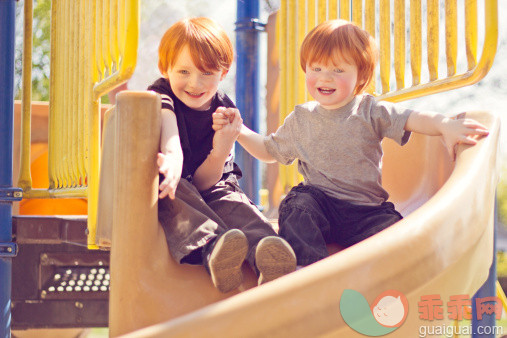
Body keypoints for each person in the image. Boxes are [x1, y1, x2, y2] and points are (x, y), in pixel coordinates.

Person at [212, 19, 489, 267]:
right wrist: (239, 131)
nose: (325, 77)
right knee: (296, 207)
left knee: (396, 234)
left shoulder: (369, 110)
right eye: (316, 68)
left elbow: (413, 118)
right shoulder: (301, 117)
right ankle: (303, 270)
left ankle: (392, 271)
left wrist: (444, 125)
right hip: (320, 203)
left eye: (338, 70)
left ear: (361, 75)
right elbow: (269, 151)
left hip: (365, 210)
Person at [147, 17, 296, 293]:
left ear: (223, 73)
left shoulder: (222, 108)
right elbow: (170, 134)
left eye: (206, 73)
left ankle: (269, 257)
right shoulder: (160, 95)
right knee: (170, 192)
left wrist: (227, 142)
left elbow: (209, 182)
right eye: (183, 72)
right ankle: (215, 250)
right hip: (176, 181)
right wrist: (172, 157)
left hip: (213, 184)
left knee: (236, 206)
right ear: (165, 69)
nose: (195, 83)